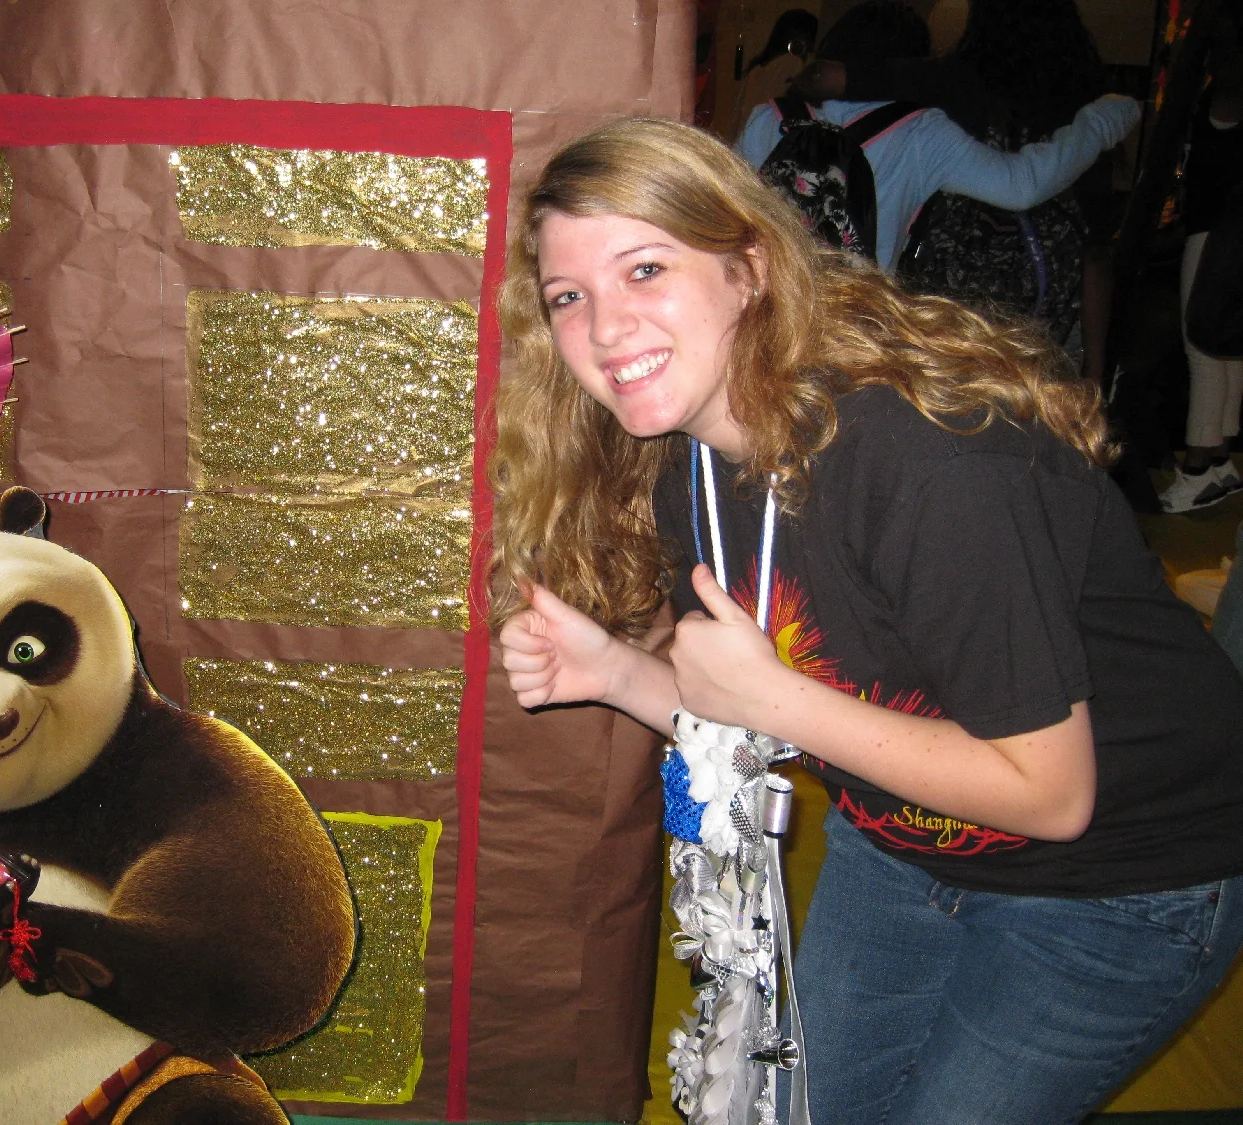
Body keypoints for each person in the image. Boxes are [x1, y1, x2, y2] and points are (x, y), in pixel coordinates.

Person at [490, 117, 1243, 1124]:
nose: (606, 327)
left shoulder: (929, 464)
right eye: (568, 297)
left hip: (1123, 870)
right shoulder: (688, 462)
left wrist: (778, 702)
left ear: (749, 269)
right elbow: (762, 700)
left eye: (645, 270)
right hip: (903, 845)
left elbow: (1051, 793)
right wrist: (615, 672)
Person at [735, 2, 1138, 273]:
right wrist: (1104, 120)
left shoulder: (769, 118)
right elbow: (1023, 184)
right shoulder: (922, 134)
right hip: (850, 329)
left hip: (769, 310)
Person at [1159, 38, 1243, 513]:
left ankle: (1197, 469)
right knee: (1228, 351)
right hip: (1229, 230)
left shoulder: (1222, 92)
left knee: (1204, 350)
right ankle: (1219, 461)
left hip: (1215, 232)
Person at [730, 8, 818, 142]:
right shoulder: (792, 64)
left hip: (747, 137)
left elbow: (739, 114)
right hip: (768, 138)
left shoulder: (759, 67)